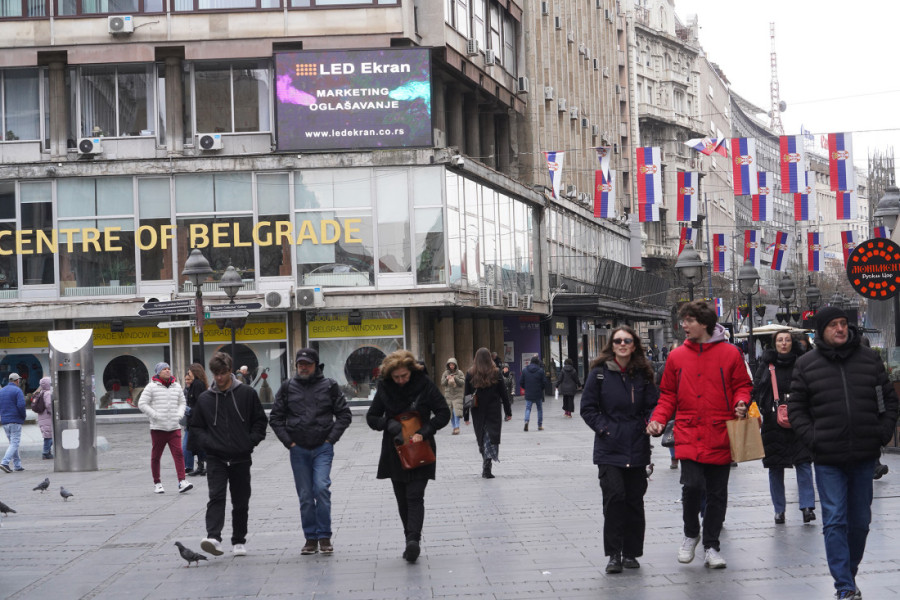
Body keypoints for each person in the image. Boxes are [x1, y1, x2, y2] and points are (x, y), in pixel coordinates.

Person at [789, 307, 899, 600]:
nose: (840, 329)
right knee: (835, 519)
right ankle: (844, 586)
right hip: (828, 458)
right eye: (833, 325)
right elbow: (797, 409)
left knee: (860, 522)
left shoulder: (869, 359)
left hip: (864, 455)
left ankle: (848, 573)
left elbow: (889, 400)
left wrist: (882, 432)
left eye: (843, 324)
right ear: (821, 330)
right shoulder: (806, 364)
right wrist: (813, 439)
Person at [646, 300, 752, 569]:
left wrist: (741, 402)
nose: (684, 325)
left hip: (720, 431)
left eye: (689, 320)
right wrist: (658, 419)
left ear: (704, 323)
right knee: (691, 486)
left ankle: (712, 546)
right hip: (689, 431)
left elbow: (742, 385)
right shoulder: (676, 357)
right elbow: (668, 395)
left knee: (717, 493)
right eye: (683, 320)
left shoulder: (730, 353)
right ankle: (691, 533)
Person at [581, 325, 658, 573]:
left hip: (637, 445)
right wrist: (604, 429)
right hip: (609, 447)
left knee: (634, 501)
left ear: (634, 345)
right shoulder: (599, 373)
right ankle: (614, 554)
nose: (622, 344)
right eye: (617, 341)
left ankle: (631, 553)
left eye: (627, 341)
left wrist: (651, 422)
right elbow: (588, 408)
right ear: (611, 346)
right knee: (614, 499)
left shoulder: (644, 374)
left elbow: (653, 405)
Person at [366, 350, 450, 563]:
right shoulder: (384, 388)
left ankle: (414, 540)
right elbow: (372, 417)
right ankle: (409, 539)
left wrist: (425, 431)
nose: (401, 380)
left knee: (414, 495)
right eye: (396, 377)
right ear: (389, 375)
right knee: (402, 498)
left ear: (411, 370)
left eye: (404, 375)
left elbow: (443, 413)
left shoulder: (424, 384)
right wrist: (387, 423)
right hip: (395, 450)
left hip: (421, 448)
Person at [269, 348, 352, 556]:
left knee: (321, 488)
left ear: (316, 365)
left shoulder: (330, 385)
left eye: (307, 364)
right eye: (300, 364)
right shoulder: (287, 387)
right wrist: (289, 443)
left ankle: (324, 537)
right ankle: (310, 538)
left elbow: (344, 414)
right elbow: (275, 418)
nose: (303, 368)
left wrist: (330, 439)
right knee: (306, 495)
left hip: (322, 447)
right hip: (298, 449)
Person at [191, 352, 268, 557]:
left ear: (230, 371)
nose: (219, 378)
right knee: (216, 496)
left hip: (240, 456)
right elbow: (196, 426)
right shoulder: (205, 398)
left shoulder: (246, 394)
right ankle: (213, 537)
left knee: (240, 501)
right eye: (216, 373)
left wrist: (249, 442)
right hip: (215, 457)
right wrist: (208, 444)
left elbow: (260, 421)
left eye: (223, 373)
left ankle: (239, 540)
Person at [752, 332, 815, 525]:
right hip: (773, 422)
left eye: (787, 340)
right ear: (775, 344)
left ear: (792, 342)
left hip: (800, 420)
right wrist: (761, 407)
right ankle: (779, 510)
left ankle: (807, 507)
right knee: (775, 467)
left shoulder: (802, 362)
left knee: (803, 463)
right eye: (780, 340)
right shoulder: (767, 364)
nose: (784, 343)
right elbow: (757, 389)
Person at [138, 362, 192, 494]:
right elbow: (142, 403)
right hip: (158, 428)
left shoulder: (176, 386)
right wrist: (155, 415)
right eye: (164, 369)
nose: (167, 371)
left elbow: (182, 402)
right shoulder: (151, 386)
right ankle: (157, 483)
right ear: (158, 372)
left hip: (174, 427)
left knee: (178, 454)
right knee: (156, 456)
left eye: (168, 369)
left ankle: (182, 481)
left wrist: (179, 415)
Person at [465, 347, 513, 479]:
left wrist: (466, 415)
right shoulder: (496, 373)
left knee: (482, 437)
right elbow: (504, 394)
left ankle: (486, 463)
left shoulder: (470, 373)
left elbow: (467, 395)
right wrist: (508, 412)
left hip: (477, 411)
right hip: (493, 410)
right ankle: (487, 465)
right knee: (491, 437)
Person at [183, 364, 208, 477]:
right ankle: (201, 466)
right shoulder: (197, 384)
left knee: (197, 444)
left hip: (196, 419)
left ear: (194, 372)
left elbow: (200, 401)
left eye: (189, 372)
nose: (188, 374)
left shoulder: (197, 384)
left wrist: (190, 410)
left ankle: (202, 466)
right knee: (196, 444)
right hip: (195, 419)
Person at [0, 373, 26, 473]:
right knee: (14, 443)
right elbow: (21, 405)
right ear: (17, 380)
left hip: (5, 421)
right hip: (15, 420)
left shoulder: (2, 391)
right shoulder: (17, 390)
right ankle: (5, 462)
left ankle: (17, 465)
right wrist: (23, 416)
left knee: (12, 443)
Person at [520, 355, 549, 431]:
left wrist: (526, 388)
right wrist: (541, 388)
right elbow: (545, 382)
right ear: (537, 362)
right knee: (539, 409)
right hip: (538, 393)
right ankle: (539, 425)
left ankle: (526, 421)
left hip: (529, 393)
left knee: (528, 408)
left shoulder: (525, 370)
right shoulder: (540, 371)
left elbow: (521, 382)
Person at [439, 358, 465, 435]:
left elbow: (462, 382)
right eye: (450, 365)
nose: (451, 366)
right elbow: (442, 383)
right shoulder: (445, 373)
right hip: (449, 395)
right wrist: (447, 379)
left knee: (456, 411)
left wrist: (455, 378)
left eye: (453, 364)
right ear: (448, 365)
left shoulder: (460, 373)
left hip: (457, 395)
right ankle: (454, 427)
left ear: (455, 365)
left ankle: (457, 427)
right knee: (450, 413)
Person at [33, 377, 54, 460]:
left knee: (48, 435)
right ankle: (45, 453)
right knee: (49, 436)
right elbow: (49, 405)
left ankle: (47, 452)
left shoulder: (41, 392)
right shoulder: (48, 393)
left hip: (42, 417)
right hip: (48, 417)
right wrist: (53, 412)